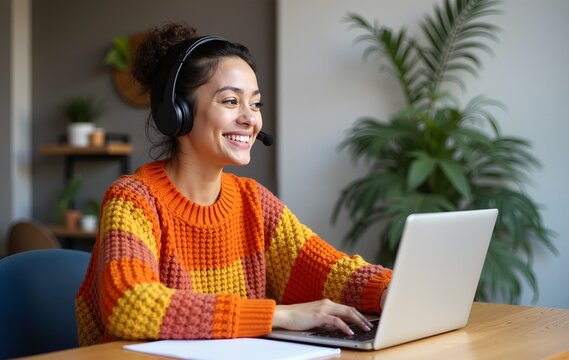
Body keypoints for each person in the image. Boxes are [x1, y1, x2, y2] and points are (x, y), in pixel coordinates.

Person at [75, 22, 392, 346]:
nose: (250, 119)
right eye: (230, 101)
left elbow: (329, 272)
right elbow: (130, 305)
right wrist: (278, 316)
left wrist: (391, 290)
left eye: (255, 104)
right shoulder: (133, 200)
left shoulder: (254, 202)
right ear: (177, 113)